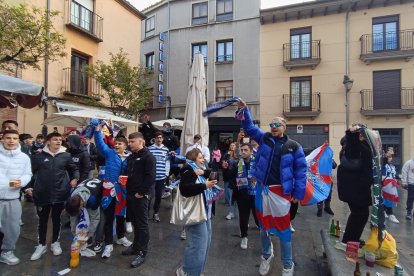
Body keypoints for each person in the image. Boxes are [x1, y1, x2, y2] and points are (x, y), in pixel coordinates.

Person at [236, 99, 307, 276]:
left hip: (281, 193)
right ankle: (266, 255)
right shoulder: (265, 138)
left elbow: (301, 171)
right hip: (262, 190)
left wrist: (298, 193)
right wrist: (244, 110)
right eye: (271, 124)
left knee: (283, 230)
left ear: (284, 127)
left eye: (277, 124)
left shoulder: (294, 147)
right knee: (263, 226)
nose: (274, 127)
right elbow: (250, 128)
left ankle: (287, 265)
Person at [25, 132, 79, 261]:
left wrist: (75, 178)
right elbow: (30, 173)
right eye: (55, 139)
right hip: (42, 193)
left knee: (56, 219)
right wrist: (29, 187)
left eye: (60, 140)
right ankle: (41, 244)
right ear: (48, 141)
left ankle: (55, 242)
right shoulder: (38, 156)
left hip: (60, 193)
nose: (59, 141)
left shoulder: (66, 155)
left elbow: (74, 169)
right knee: (42, 220)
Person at [176, 148, 218, 276]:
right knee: (197, 245)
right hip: (196, 214)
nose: (203, 159)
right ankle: (187, 271)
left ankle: (196, 271)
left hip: (205, 213)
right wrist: (204, 186)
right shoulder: (189, 170)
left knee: (205, 244)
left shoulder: (200, 170)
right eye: (200, 157)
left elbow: (213, 173)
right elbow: (185, 190)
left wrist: (204, 172)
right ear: (193, 159)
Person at [94, 125, 132, 258]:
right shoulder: (109, 153)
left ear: (125, 146)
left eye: (119, 144)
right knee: (109, 217)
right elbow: (99, 144)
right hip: (108, 190)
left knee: (121, 215)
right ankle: (108, 244)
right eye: (115, 143)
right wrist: (98, 131)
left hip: (122, 191)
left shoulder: (130, 157)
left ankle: (121, 237)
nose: (116, 145)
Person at [336, 124, 373, 250]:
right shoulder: (353, 146)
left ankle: (353, 238)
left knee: (360, 214)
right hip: (356, 188)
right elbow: (353, 146)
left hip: (359, 187)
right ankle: (348, 241)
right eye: (361, 133)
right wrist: (352, 133)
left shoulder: (361, 146)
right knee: (359, 214)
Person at [122, 132, 156, 268]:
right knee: (135, 222)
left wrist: (141, 193)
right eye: (129, 142)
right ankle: (135, 247)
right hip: (130, 194)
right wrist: (123, 178)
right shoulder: (132, 157)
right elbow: (129, 173)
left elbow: (150, 177)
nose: (129, 144)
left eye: (131, 142)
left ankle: (142, 252)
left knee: (142, 225)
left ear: (141, 142)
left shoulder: (148, 157)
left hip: (141, 196)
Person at [0, 130, 32, 265]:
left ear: (18, 140)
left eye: (14, 138)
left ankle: (7, 252)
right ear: (2, 140)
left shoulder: (24, 157)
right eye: (8, 138)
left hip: (13, 198)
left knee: (12, 228)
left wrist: (22, 182)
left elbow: (28, 174)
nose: (11, 141)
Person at [223, 143, 259, 250]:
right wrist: (225, 169)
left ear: (251, 151)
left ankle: (263, 230)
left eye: (245, 150)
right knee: (243, 217)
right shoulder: (237, 163)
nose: (243, 152)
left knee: (258, 215)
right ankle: (244, 237)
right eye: (242, 150)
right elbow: (229, 176)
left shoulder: (257, 163)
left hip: (256, 194)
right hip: (242, 194)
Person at [65, 178, 104, 257]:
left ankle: (99, 241)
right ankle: (87, 240)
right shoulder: (71, 196)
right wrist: (73, 230)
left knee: (101, 218)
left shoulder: (92, 201)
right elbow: (73, 215)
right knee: (83, 217)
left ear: (81, 204)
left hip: (101, 190)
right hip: (87, 189)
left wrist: (89, 234)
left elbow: (95, 218)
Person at [147, 131, 170, 222]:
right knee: (150, 196)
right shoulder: (149, 149)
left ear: (162, 139)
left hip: (161, 177)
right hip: (151, 177)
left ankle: (155, 213)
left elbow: (167, 162)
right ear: (155, 139)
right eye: (157, 138)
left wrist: (166, 174)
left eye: (160, 138)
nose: (159, 139)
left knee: (159, 197)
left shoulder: (166, 149)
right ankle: (147, 212)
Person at [381, 147, 400, 224]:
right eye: (389, 157)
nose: (390, 158)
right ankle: (389, 212)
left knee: (390, 198)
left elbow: (395, 175)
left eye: (391, 157)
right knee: (387, 197)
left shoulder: (392, 166)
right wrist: (386, 156)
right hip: (386, 183)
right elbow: (383, 161)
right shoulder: (383, 164)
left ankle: (386, 211)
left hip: (392, 184)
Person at [222, 142, 238, 220]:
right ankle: (231, 212)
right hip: (228, 176)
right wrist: (224, 165)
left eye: (234, 145)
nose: (232, 146)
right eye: (231, 145)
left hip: (237, 177)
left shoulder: (238, 155)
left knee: (236, 197)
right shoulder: (226, 154)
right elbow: (223, 163)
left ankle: (234, 212)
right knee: (229, 195)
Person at [401, 155, 414, 220]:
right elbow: (404, 172)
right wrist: (404, 182)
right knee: (410, 198)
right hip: (411, 183)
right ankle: (409, 212)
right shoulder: (409, 163)